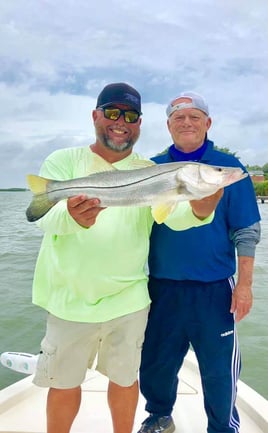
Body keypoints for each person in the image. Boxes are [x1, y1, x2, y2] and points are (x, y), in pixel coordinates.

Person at [31, 83, 221, 433]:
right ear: (96, 116)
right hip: (69, 298)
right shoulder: (64, 161)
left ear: (139, 124)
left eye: (131, 116)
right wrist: (73, 218)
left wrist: (200, 210)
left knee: (124, 380)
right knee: (63, 383)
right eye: (113, 113)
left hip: (129, 301)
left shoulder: (150, 169)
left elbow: (172, 216)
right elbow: (44, 218)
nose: (121, 122)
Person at [138, 92, 261, 433]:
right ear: (168, 126)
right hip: (161, 286)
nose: (187, 123)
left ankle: (222, 427)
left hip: (215, 288)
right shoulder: (150, 169)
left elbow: (246, 231)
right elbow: (133, 231)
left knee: (219, 369)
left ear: (208, 123)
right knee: (156, 363)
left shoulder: (229, 170)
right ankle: (159, 416)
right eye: (179, 118)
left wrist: (246, 286)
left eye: (195, 116)